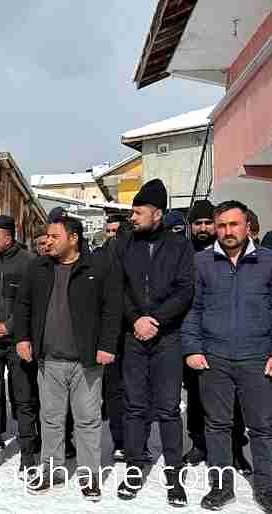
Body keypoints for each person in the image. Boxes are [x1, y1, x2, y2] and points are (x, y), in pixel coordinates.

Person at [16, 216, 121, 500]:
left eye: (54, 236)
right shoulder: (37, 267)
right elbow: (23, 305)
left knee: (88, 421)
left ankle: (89, 477)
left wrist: (107, 345)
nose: (47, 241)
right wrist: (23, 338)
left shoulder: (97, 266)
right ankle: (51, 471)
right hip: (49, 361)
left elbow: (112, 309)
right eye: (46, 236)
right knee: (50, 419)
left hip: (86, 362)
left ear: (73, 238)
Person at [182, 200, 272, 513]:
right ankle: (221, 488)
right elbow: (192, 309)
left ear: (248, 226)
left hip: (257, 358)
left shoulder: (268, 262)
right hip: (214, 358)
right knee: (217, 426)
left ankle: (267, 487)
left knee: (263, 427)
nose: (227, 231)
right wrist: (192, 348)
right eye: (222, 226)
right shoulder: (202, 263)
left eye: (234, 225)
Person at [115, 179, 194, 506]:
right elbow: (116, 288)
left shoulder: (179, 247)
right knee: (134, 406)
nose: (132, 217)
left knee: (168, 409)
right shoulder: (124, 244)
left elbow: (185, 290)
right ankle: (134, 468)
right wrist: (136, 319)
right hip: (133, 337)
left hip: (167, 338)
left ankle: (174, 477)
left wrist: (156, 320)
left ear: (157, 213)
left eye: (138, 212)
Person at [182, 199, 250, 472]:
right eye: (197, 223)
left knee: (235, 402)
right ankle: (199, 443)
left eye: (208, 223)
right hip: (199, 341)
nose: (203, 228)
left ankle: (235, 448)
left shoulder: (237, 253)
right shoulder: (187, 255)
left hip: (233, 344)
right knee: (197, 398)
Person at [0, 215, 39, 478]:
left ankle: (27, 455)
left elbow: (33, 303)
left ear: (8, 237)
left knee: (23, 399)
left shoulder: (28, 262)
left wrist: (10, 326)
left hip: (17, 341)